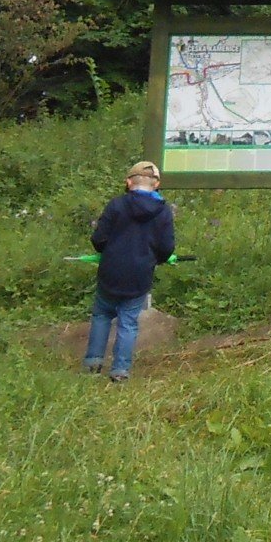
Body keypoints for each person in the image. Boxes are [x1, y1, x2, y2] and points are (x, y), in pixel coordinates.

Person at [84, 160, 176, 382]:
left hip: (110, 272)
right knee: (128, 322)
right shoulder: (163, 211)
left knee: (102, 315)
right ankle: (120, 371)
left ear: (128, 182)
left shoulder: (116, 205)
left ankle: (93, 362)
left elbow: (98, 240)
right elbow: (166, 248)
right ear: (156, 184)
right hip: (139, 276)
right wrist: (159, 259)